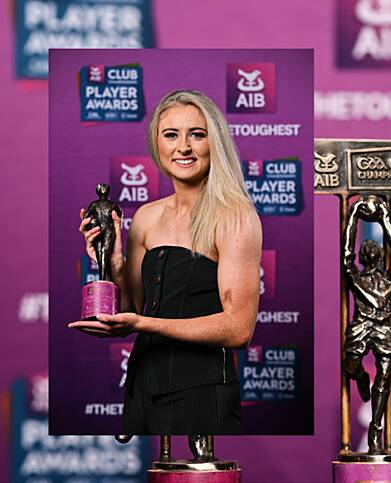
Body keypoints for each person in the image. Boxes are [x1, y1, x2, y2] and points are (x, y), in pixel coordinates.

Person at [70, 90, 262, 435]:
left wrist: (143, 324)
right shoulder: (145, 216)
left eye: (197, 135)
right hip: (145, 385)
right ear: (156, 145)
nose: (183, 147)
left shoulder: (235, 217)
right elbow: (131, 307)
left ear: (214, 143)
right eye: (171, 135)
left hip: (203, 393)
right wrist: (111, 261)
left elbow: (239, 329)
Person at [341, 195, 391, 454]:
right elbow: (346, 255)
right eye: (368, 252)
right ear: (364, 257)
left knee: (385, 378)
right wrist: (354, 215)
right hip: (360, 327)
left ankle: (375, 429)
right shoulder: (355, 277)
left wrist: (385, 221)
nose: (373, 254)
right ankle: (359, 376)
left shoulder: (388, 279)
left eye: (376, 252)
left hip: (383, 330)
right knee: (351, 365)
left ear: (380, 256)